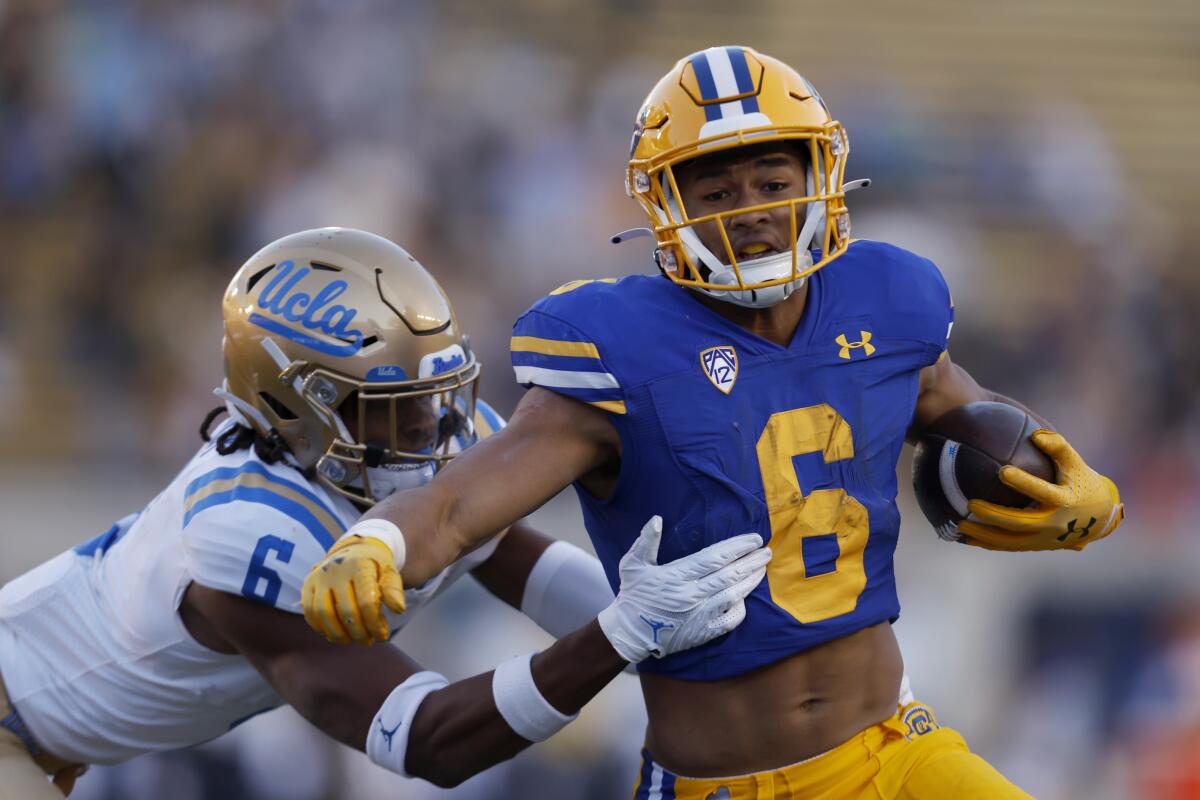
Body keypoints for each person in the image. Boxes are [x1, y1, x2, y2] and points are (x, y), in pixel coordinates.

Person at [302, 48, 1126, 799]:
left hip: (893, 751)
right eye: (719, 192)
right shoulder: (620, 349)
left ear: (821, 175)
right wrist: (380, 544)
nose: (753, 211)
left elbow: (969, 410)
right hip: (724, 783)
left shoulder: (887, 297)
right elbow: (456, 504)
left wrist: (1067, 473)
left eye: (774, 183)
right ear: (667, 204)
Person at [0, 227, 770, 799]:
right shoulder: (244, 535)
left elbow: (505, 556)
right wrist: (619, 636)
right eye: (390, 411)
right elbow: (428, 739)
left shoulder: (421, 436)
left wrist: (693, 632)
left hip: (65, 738)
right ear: (294, 409)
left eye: (434, 400)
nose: (433, 431)